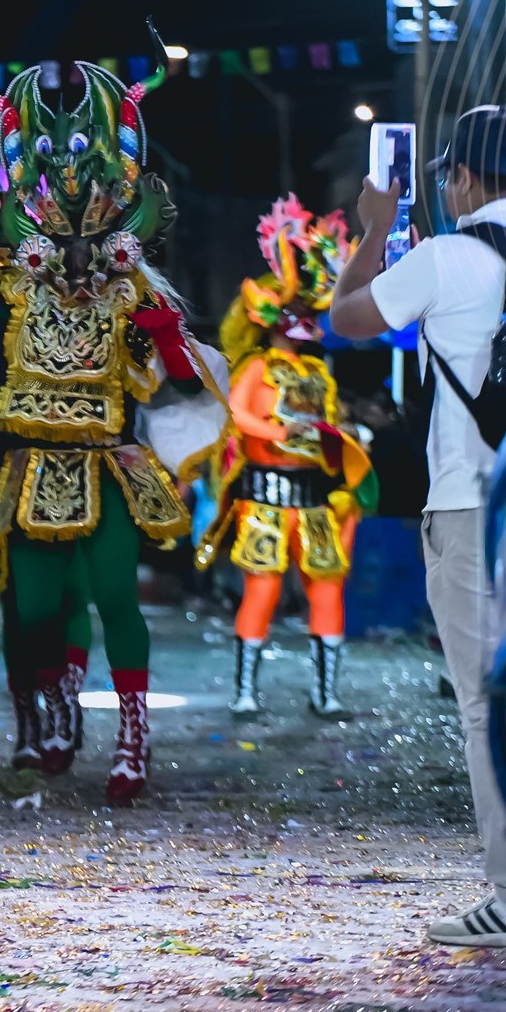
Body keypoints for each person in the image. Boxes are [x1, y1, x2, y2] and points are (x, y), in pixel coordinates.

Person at [0, 39, 224, 805]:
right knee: (37, 606)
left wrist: (165, 339)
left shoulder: (131, 294)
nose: (72, 245)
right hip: (30, 469)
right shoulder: (11, 295)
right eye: (54, 231)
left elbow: (184, 382)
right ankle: (59, 707)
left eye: (89, 227)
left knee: (113, 596)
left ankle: (132, 731)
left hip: (105, 460)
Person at [329, 105, 506, 949]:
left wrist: (376, 229)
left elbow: (347, 315)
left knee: (487, 702)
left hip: (473, 509)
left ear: (461, 177)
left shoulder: (445, 257)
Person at [197, 197, 374, 717]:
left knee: (326, 590)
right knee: (264, 590)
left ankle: (326, 692)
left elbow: (331, 428)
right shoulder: (257, 368)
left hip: (315, 497)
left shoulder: (320, 376)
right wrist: (277, 429)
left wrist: (347, 436)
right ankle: (246, 691)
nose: (300, 322)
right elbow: (239, 415)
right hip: (267, 496)